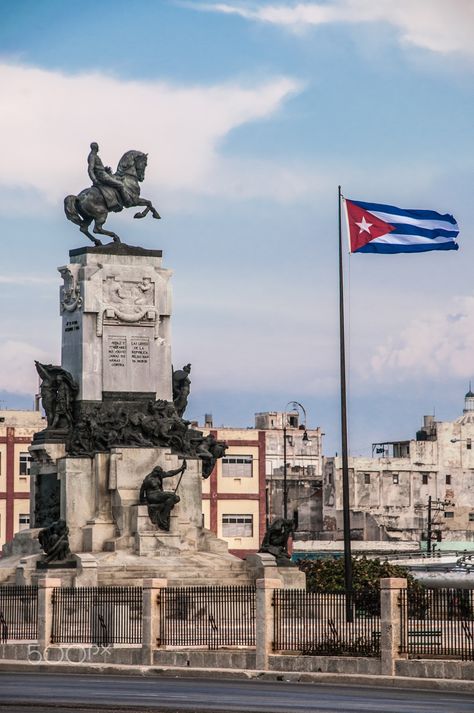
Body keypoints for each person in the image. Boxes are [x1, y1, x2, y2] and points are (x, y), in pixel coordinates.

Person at [139, 460, 187, 531]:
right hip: (152, 496)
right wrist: (142, 500)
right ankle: (163, 518)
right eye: (158, 473)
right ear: (155, 472)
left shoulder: (159, 475)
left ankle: (163, 517)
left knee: (176, 498)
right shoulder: (148, 479)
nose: (160, 475)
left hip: (159, 495)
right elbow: (142, 490)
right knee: (172, 496)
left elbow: (170, 473)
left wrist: (180, 469)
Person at [87, 142, 128, 210]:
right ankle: (127, 201)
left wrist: (105, 169)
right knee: (120, 184)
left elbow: (97, 167)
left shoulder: (95, 156)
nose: (98, 149)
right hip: (102, 176)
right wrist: (94, 179)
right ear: (96, 148)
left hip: (104, 173)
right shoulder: (92, 156)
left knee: (118, 178)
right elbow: (90, 169)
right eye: (97, 147)